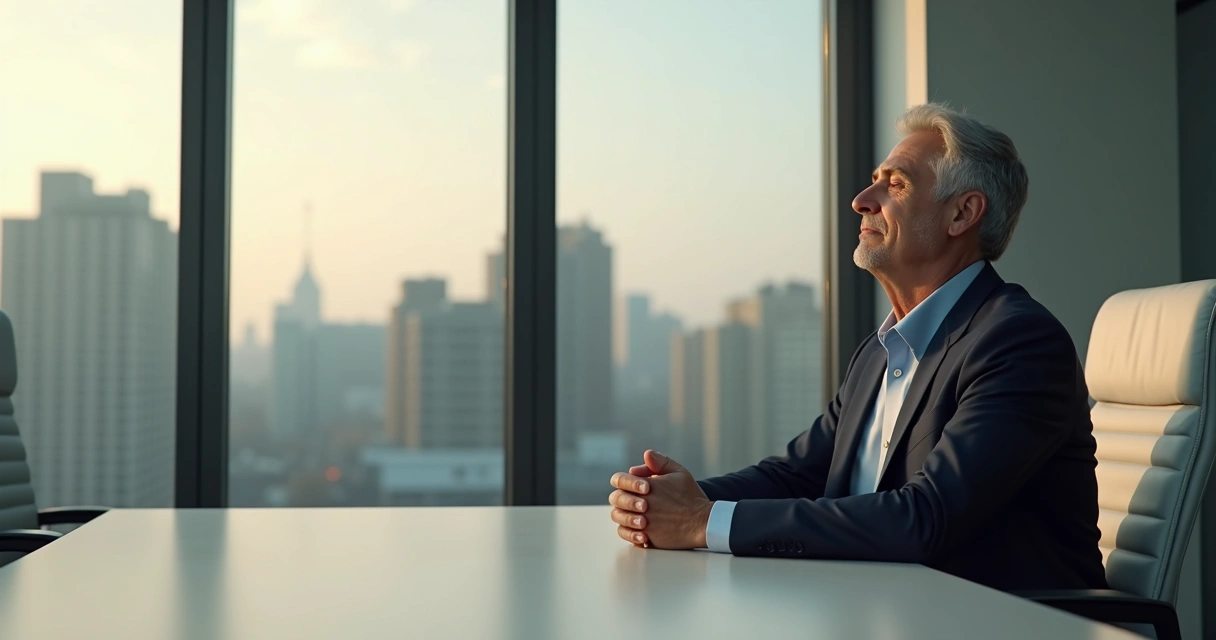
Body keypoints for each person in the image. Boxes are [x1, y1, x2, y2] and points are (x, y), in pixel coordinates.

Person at [607, 103, 1107, 591]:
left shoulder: (1017, 342)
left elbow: (926, 517)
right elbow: (798, 474)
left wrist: (703, 521)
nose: (862, 199)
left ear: (962, 213)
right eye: (874, 180)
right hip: (890, 611)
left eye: (896, 184)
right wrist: (671, 500)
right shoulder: (879, 352)